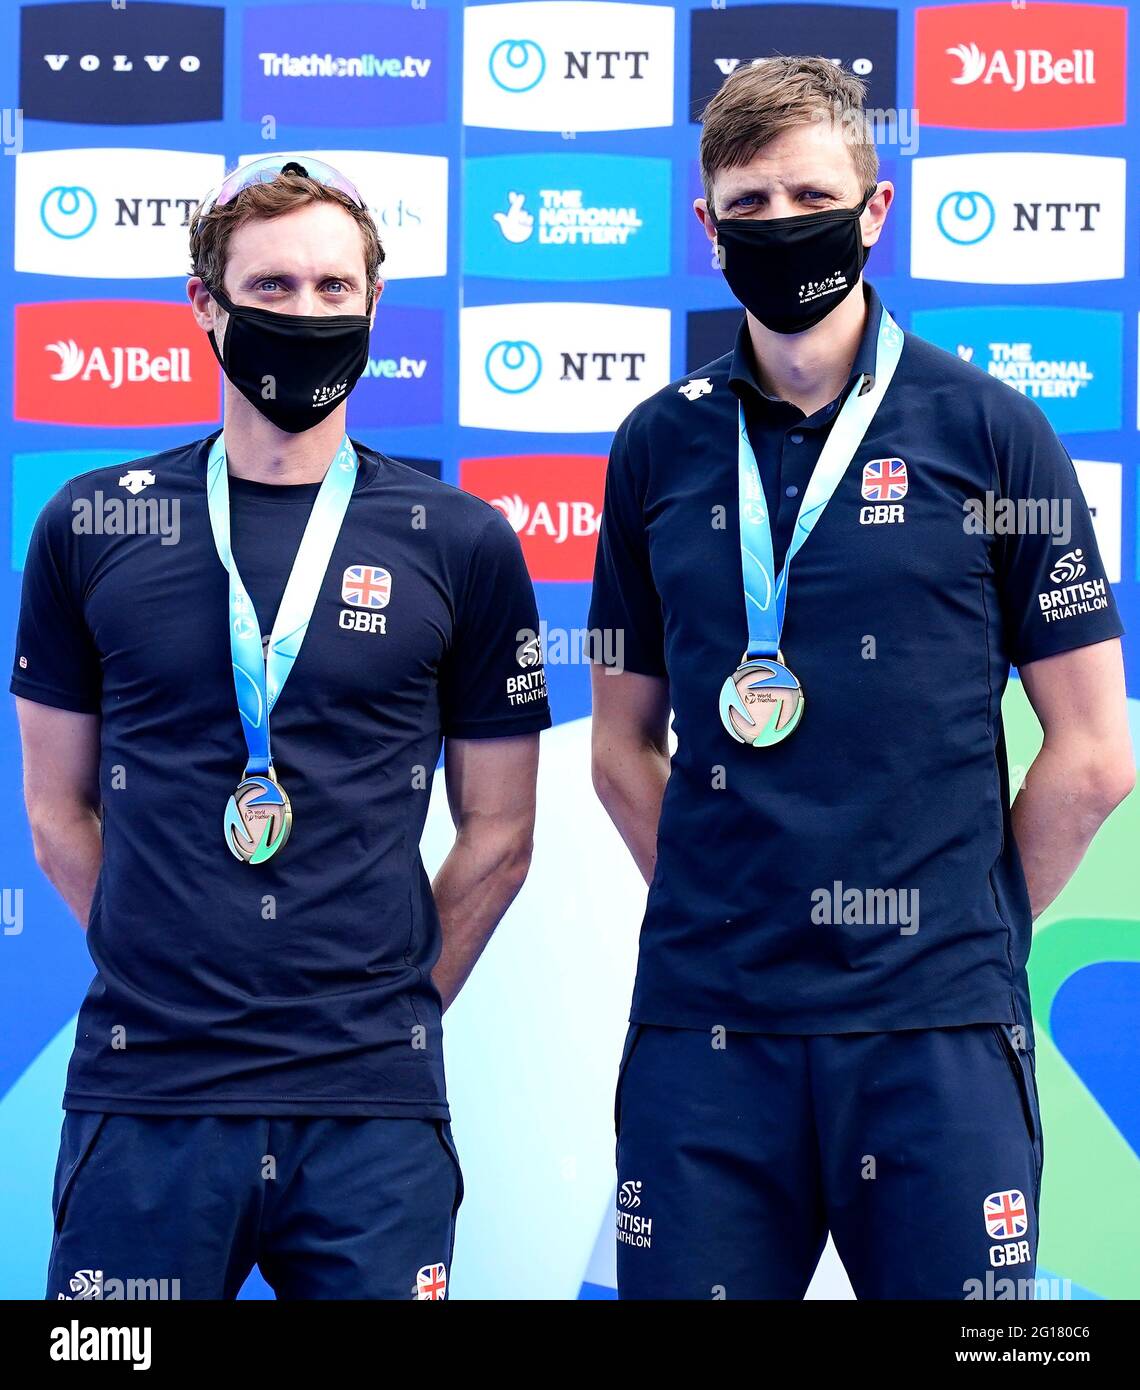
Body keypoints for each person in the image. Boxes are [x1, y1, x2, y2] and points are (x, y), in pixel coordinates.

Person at [588, 58, 1133, 1299]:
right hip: (707, 1033)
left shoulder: (992, 430)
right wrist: (724, 903)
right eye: (752, 203)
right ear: (706, 226)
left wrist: (970, 926)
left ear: (875, 211)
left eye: (810, 195)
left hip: (934, 1036)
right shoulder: (657, 444)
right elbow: (620, 743)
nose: (783, 226)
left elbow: (1096, 750)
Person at [13, 156, 550, 1301]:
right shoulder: (92, 523)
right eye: (270, 289)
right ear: (203, 305)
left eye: (331, 288)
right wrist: (170, 964)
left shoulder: (458, 538)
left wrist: (382, 1007)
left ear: (371, 305)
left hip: (372, 1110)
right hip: (147, 1091)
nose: (304, 313)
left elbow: (500, 834)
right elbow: (57, 805)